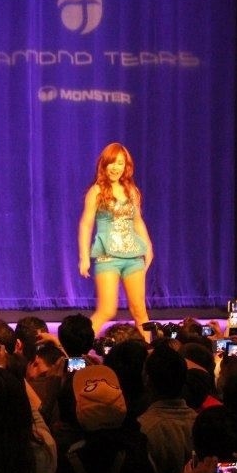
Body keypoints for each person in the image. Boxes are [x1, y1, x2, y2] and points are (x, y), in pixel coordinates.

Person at [77, 142, 153, 335]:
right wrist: (84, 257)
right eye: (112, 162)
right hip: (107, 257)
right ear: (104, 164)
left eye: (120, 163)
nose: (116, 167)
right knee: (107, 310)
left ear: (126, 166)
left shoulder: (132, 191)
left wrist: (148, 248)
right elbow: (86, 224)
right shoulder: (96, 191)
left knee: (140, 311)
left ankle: (149, 351)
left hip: (133, 257)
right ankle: (76, 347)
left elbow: (138, 222)